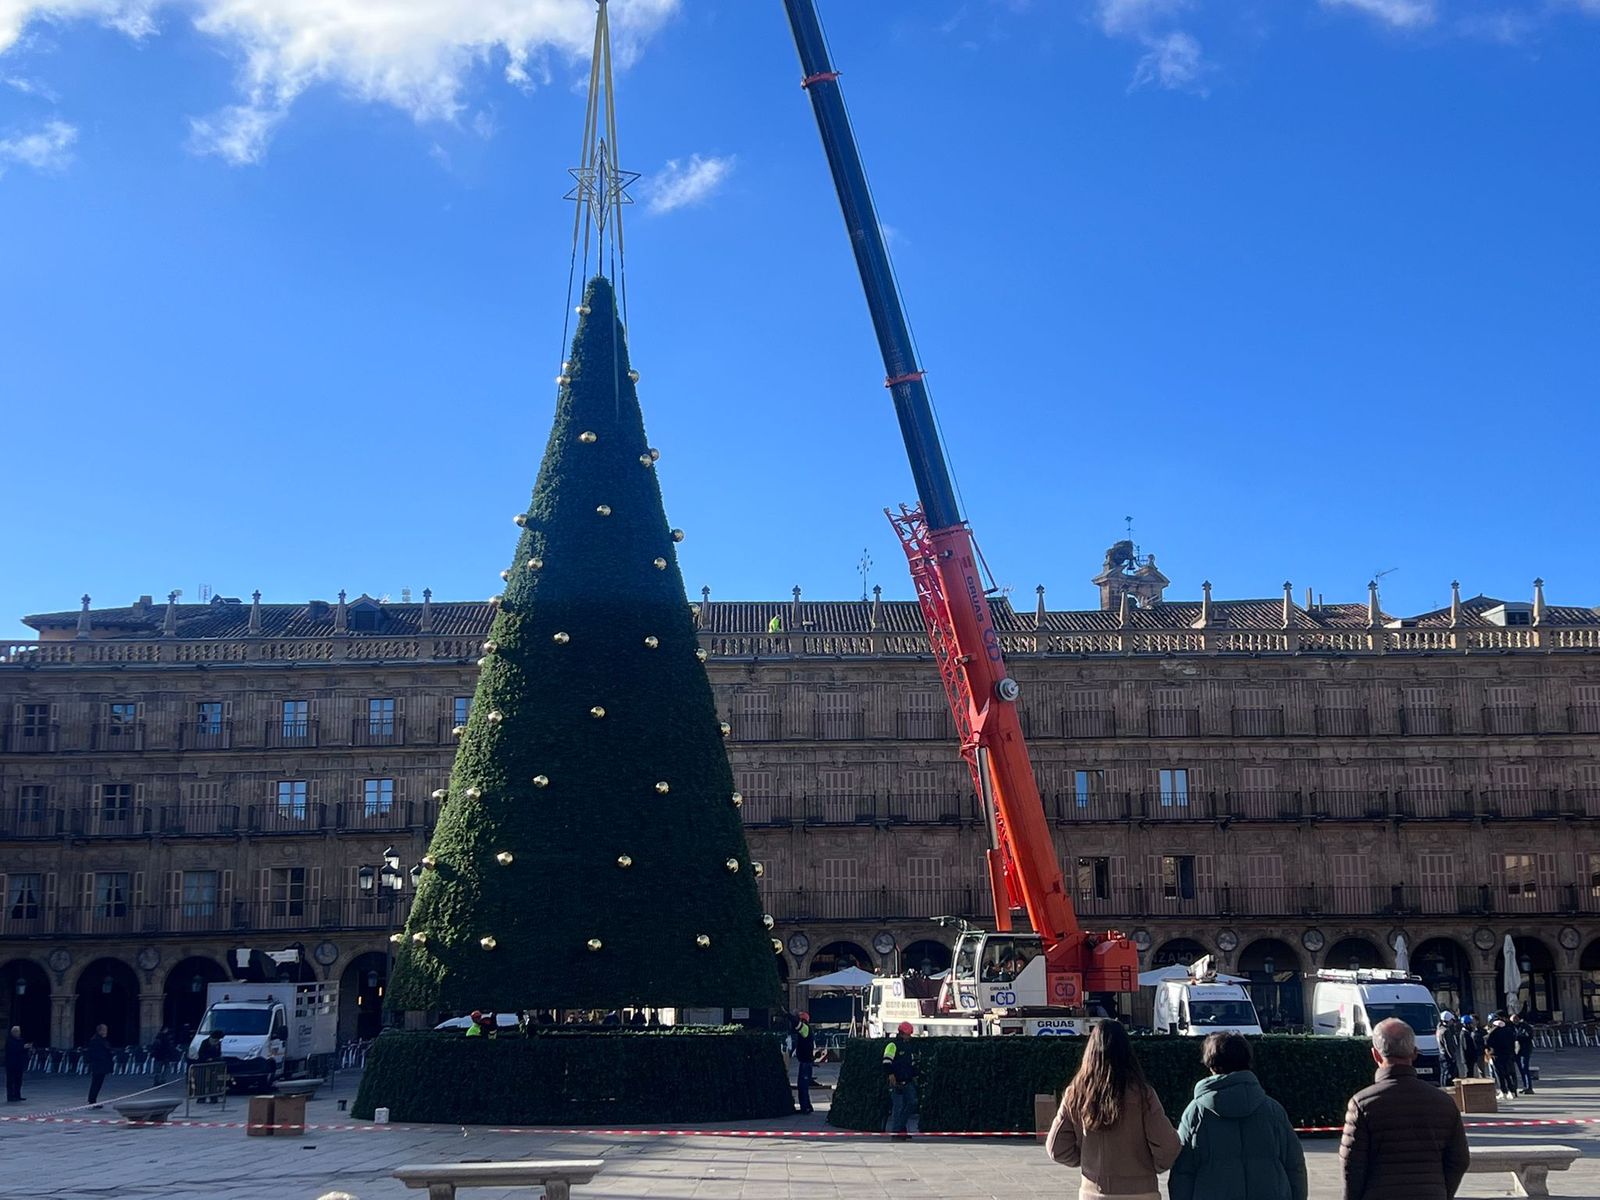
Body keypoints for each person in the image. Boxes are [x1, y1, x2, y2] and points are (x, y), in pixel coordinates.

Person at [1046, 1018, 1179, 1200]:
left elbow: (1056, 1148)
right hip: (1140, 1191)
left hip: (1093, 1191)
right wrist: (1151, 1166)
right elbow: (1168, 1145)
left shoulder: (1075, 1093)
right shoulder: (1142, 1094)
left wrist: (1086, 1160)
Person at [1340, 1018, 1469, 1200]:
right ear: (1414, 1053)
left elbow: (1352, 1165)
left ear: (1375, 1055)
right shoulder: (1443, 1102)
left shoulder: (1362, 1103)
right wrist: (1441, 1191)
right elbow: (1459, 1159)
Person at [1169, 1032, 1306, 1200]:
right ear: (1247, 1061)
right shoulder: (1273, 1111)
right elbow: (1294, 1166)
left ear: (1211, 1065)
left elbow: (1182, 1172)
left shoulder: (1196, 1113)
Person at [882, 1021, 917, 1140]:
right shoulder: (892, 1045)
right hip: (896, 1082)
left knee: (912, 1103)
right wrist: (891, 1075)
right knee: (898, 1107)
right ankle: (896, 1133)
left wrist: (913, 1075)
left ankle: (901, 1128)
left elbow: (911, 1063)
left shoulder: (909, 1046)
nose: (910, 1037)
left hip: (907, 1080)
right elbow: (886, 1061)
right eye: (908, 1034)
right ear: (902, 1033)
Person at [1484, 1013, 1519, 1100]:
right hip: (1508, 1055)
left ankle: (1503, 1091)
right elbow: (1514, 1042)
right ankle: (1512, 1091)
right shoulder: (1509, 1031)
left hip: (1496, 1056)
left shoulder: (1493, 1033)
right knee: (1507, 1074)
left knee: (1500, 1075)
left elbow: (1486, 1041)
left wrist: (1488, 1051)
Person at [792, 1010, 815, 1114]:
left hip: (805, 1063)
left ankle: (805, 1108)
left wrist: (788, 1015)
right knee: (803, 1086)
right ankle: (807, 1106)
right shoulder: (806, 1029)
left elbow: (796, 1024)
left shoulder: (805, 1029)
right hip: (805, 1062)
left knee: (802, 1086)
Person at [84, 1024, 113, 1108]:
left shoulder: (101, 1040)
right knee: (96, 1083)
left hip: (101, 1065)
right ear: (100, 1031)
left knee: (98, 1083)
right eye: (104, 1030)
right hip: (98, 1065)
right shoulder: (96, 1040)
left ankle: (93, 1100)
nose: (106, 1032)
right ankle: (92, 1101)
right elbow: (95, 1053)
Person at [194, 1030, 224, 1103]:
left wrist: (216, 1059)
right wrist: (207, 1058)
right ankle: (201, 1098)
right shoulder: (205, 1042)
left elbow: (218, 1053)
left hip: (214, 1064)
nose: (217, 1041)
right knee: (201, 1081)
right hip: (203, 1064)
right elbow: (201, 1053)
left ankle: (213, 1097)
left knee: (213, 1081)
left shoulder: (218, 1043)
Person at [1511, 1012, 1535, 1095]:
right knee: (1521, 1069)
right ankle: (1525, 1086)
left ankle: (1529, 1087)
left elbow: (1528, 1036)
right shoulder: (1511, 1027)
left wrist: (1517, 1037)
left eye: (1515, 1019)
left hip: (1525, 1050)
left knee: (1525, 1068)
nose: (1514, 1021)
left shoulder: (1525, 1026)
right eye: (1512, 1020)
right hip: (1517, 1051)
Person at [1435, 1013, 1460, 1089]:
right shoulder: (1446, 1031)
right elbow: (1448, 1046)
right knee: (1449, 1074)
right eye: (1452, 1020)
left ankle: (1443, 1088)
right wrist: (1452, 1057)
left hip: (1441, 1054)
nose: (1453, 1022)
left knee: (1443, 1073)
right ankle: (1448, 1089)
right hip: (1447, 1056)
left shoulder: (1439, 1029)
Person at [5, 1025, 26, 1103]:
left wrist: (25, 1048)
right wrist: (23, 1047)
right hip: (11, 1063)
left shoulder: (20, 1040)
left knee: (18, 1080)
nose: (19, 1033)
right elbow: (13, 1050)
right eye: (18, 1032)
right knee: (11, 1080)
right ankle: (10, 1096)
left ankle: (17, 1095)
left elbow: (21, 1050)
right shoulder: (9, 1040)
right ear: (14, 1032)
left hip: (19, 1063)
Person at [1460, 1015, 1485, 1079]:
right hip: (1468, 1058)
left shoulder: (1468, 1032)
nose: (1471, 1025)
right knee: (1469, 1074)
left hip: (1470, 1058)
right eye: (1470, 1024)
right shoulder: (1464, 1034)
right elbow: (1466, 1048)